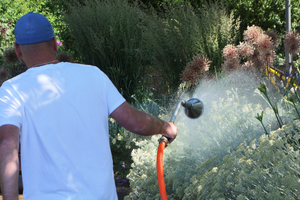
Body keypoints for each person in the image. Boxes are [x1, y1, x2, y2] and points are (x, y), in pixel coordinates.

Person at [0, 12, 177, 200]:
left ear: (17, 50)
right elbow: (136, 123)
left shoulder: (13, 89)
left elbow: (7, 144)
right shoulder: (94, 75)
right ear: (54, 43)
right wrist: (165, 127)